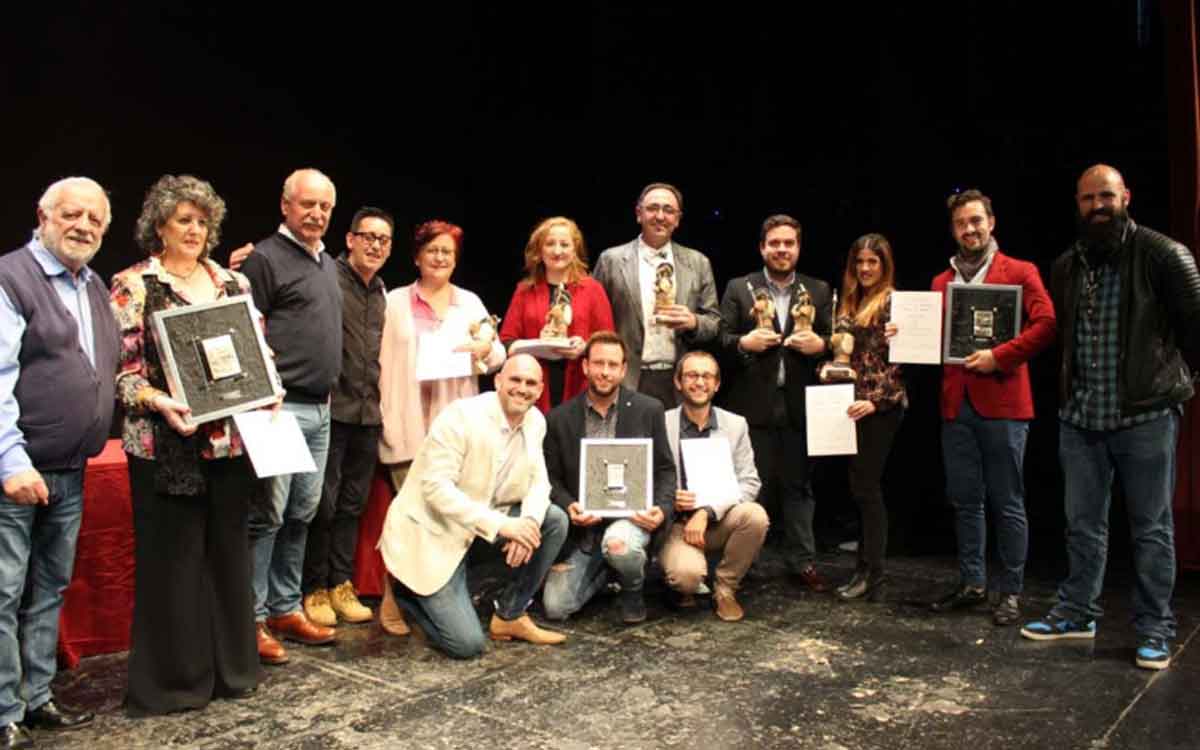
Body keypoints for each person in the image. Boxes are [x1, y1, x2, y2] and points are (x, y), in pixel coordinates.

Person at [1021, 164, 1200, 670]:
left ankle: (1155, 628)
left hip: (1146, 416)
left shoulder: (1163, 254)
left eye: (1106, 196)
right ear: (1077, 204)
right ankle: (1077, 613)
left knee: (1152, 529)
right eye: (1087, 199)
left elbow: (1194, 325)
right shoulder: (1066, 264)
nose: (1097, 206)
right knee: (1082, 526)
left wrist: (1174, 386)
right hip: (1081, 416)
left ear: (1126, 197)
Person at [110, 174, 260, 714]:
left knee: (228, 558)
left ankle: (232, 672)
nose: (194, 230)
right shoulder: (133, 285)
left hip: (227, 445)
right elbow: (122, 375)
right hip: (163, 446)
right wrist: (159, 400)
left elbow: (254, 356)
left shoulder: (231, 283)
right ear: (160, 227)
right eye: (183, 221)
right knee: (172, 565)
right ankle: (175, 683)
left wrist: (266, 387)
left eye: (202, 221)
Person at [0, 177, 118, 746]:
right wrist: (10, 460)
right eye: (72, 214)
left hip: (70, 468)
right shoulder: (11, 277)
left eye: (95, 219)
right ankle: (4, 712)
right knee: (4, 593)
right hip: (19, 471)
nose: (83, 226)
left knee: (48, 588)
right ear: (43, 215)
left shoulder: (92, 285)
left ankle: (37, 697)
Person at [377, 355, 568, 658]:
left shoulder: (535, 421)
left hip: (477, 528)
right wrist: (505, 526)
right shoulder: (461, 417)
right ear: (498, 381)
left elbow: (539, 483)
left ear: (541, 389)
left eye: (530, 383)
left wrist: (529, 523)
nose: (522, 388)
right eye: (515, 380)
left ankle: (510, 614)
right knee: (466, 645)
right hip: (434, 533)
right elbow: (436, 489)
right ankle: (402, 589)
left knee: (553, 520)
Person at [929, 189, 1056, 626]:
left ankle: (1011, 592)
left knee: (1007, 501)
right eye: (961, 223)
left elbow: (1046, 323)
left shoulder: (1019, 271)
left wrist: (999, 357)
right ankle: (973, 583)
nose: (969, 229)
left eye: (976, 221)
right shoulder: (941, 282)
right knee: (965, 500)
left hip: (1003, 402)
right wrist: (903, 333)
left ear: (991, 222)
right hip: (956, 404)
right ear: (953, 230)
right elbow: (934, 340)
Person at [375, 219, 505, 635]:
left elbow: (498, 356)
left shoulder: (470, 303)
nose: (439, 257)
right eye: (432, 250)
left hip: (454, 429)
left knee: (448, 519)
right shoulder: (394, 302)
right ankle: (392, 596)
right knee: (409, 518)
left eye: (447, 251)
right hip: (406, 422)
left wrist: (486, 348)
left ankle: (435, 597)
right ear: (416, 256)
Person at [238, 168, 342, 664]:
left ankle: (284, 607)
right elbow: (244, 333)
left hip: (321, 409)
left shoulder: (326, 262)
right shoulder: (263, 260)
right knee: (268, 517)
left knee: (302, 513)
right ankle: (251, 618)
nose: (316, 214)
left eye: (324, 206)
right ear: (285, 206)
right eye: (307, 204)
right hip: (279, 409)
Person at [718, 214, 832, 592]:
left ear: (798, 248)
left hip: (801, 404)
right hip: (751, 404)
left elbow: (837, 340)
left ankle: (803, 561)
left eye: (789, 243)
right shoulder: (739, 287)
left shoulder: (818, 289)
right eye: (775, 243)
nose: (782, 249)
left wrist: (822, 345)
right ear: (762, 248)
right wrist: (743, 343)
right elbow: (720, 338)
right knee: (754, 486)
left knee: (799, 487)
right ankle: (746, 561)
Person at [542, 331, 676, 624]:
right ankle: (606, 571)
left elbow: (666, 469)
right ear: (585, 366)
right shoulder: (558, 418)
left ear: (623, 369)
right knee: (556, 608)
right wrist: (568, 505)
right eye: (598, 363)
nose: (605, 372)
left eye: (612, 365)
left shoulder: (649, 409)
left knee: (620, 546)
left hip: (631, 520)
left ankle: (632, 590)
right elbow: (550, 477)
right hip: (585, 532)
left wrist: (661, 509)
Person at [300, 207, 392, 628]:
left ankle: (342, 583)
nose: (375, 245)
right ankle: (314, 587)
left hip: (368, 414)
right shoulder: (328, 277)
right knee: (323, 503)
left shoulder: (383, 292)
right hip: (331, 410)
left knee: (353, 505)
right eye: (368, 237)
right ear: (350, 239)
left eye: (383, 240)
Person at [660, 351, 767, 621]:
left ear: (717, 384)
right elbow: (644, 478)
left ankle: (725, 588)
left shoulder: (735, 425)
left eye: (707, 376)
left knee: (755, 515)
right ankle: (681, 574)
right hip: (676, 525)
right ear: (678, 382)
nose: (700, 382)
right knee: (686, 578)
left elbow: (750, 482)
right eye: (692, 375)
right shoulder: (660, 423)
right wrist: (668, 497)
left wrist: (706, 512)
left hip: (718, 521)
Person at [829, 234, 907, 602]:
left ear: (884, 265)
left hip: (881, 406)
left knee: (867, 488)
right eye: (859, 261)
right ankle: (863, 568)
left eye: (872, 262)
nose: (864, 268)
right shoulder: (849, 299)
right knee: (858, 488)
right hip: (849, 403)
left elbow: (902, 364)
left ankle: (873, 574)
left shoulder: (893, 302)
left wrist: (876, 402)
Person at [592, 183, 720, 407]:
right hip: (626, 377)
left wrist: (693, 322)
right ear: (638, 214)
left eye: (668, 210)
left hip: (679, 380)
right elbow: (594, 320)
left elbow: (714, 323)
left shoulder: (698, 263)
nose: (660, 216)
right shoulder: (611, 260)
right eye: (652, 208)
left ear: (677, 219)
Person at [499, 216, 614, 412]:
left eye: (564, 244)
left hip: (581, 386)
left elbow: (609, 342)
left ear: (575, 250)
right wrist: (537, 344)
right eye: (550, 244)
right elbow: (506, 342)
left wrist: (584, 347)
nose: (557, 251)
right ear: (539, 251)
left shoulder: (593, 289)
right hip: (532, 389)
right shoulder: (524, 291)